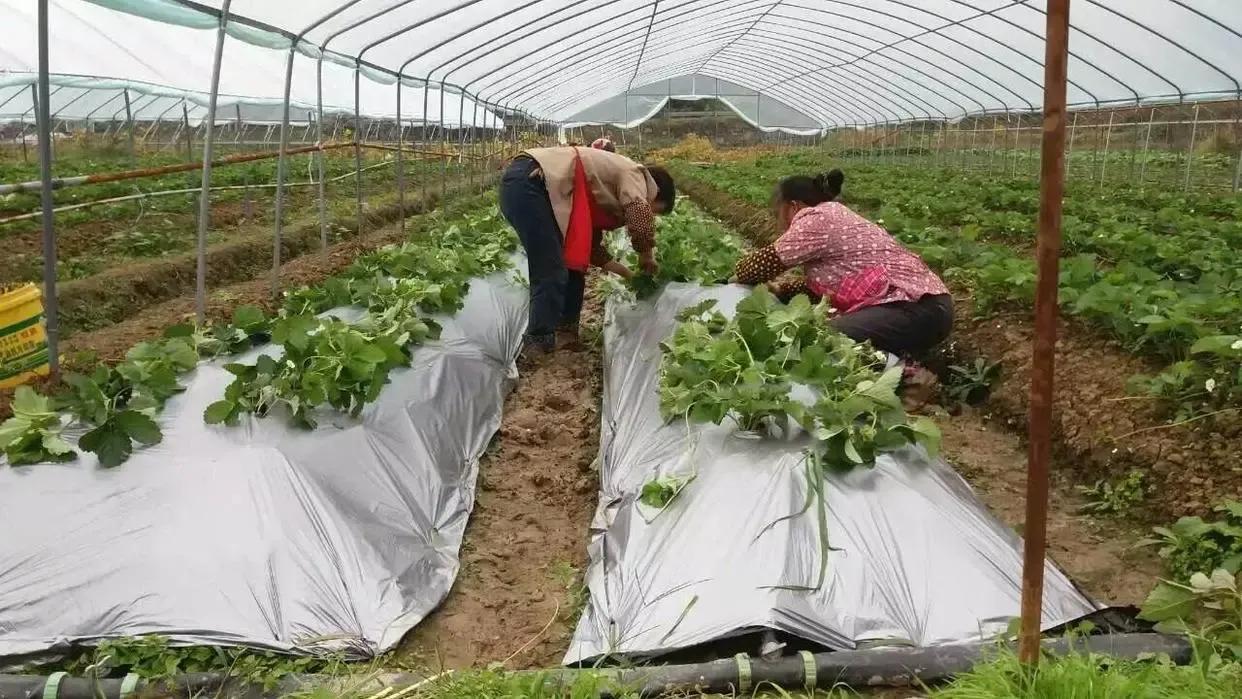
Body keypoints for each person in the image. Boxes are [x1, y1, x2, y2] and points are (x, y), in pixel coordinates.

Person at [732, 169, 952, 357]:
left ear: (793, 206)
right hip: (925, 308)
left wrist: (734, 277)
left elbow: (762, 265)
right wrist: (782, 290)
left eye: (777, 213)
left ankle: (908, 377)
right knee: (825, 333)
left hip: (915, 308)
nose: (778, 221)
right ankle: (899, 362)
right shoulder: (835, 215)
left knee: (824, 339)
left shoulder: (816, 218)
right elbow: (828, 289)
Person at [499, 145, 676, 357]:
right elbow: (639, 214)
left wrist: (629, 275)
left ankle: (566, 331)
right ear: (654, 194)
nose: (651, 215)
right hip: (530, 182)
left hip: (541, 189)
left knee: (574, 263)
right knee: (551, 267)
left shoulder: (600, 192)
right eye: (655, 211)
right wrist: (647, 255)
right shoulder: (635, 173)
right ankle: (538, 343)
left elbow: (591, 250)